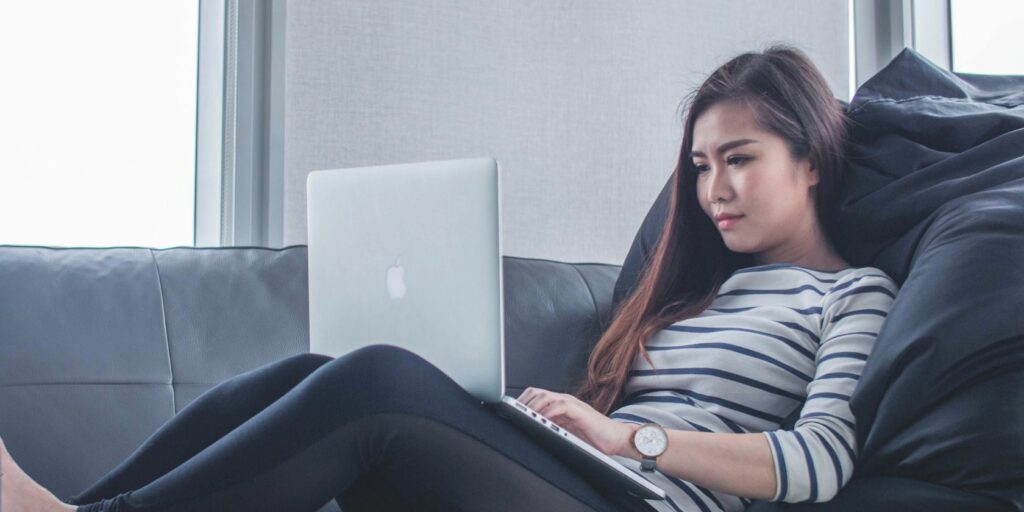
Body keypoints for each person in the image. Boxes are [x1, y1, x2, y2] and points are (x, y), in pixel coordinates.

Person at [0, 43, 899, 512]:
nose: (712, 190)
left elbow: (818, 465)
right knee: (320, 372)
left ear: (811, 158)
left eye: (736, 159)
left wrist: (632, 441)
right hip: (588, 481)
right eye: (699, 167)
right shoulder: (697, 291)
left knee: (380, 380)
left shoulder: (852, 294)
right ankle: (82, 507)